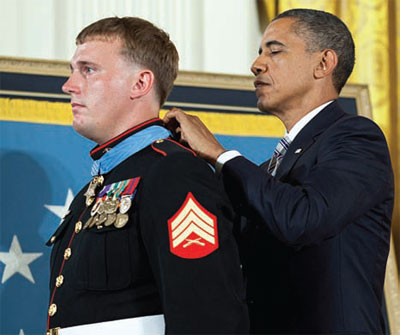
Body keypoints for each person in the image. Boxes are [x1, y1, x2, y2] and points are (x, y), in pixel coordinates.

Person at [164, 8, 394, 334]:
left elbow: (301, 218)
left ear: (323, 63)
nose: (257, 64)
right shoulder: (267, 170)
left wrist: (219, 154)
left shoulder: (356, 137)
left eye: (275, 50)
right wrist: (187, 164)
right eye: (260, 52)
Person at [45, 17, 249, 335]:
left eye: (88, 69)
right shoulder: (99, 186)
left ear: (140, 84)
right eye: (73, 70)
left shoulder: (174, 172)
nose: (69, 85)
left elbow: (207, 316)